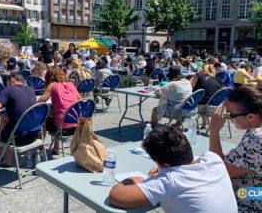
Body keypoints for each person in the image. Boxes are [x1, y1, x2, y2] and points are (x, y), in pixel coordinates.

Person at [109, 126, 238, 212]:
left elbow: (116, 197)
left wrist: (138, 180)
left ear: (165, 165)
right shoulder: (213, 159)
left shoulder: (169, 180)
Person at [209, 85, 262, 212]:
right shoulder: (256, 129)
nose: (228, 118)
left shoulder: (256, 139)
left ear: (250, 117)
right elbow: (243, 159)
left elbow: (219, 170)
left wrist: (214, 130)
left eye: (231, 115)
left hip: (249, 203)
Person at [0, 72, 38, 165]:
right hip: (32, 135)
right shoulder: (31, 90)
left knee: (4, 120)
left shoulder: (9, 89)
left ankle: (1, 151)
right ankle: (6, 157)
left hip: (16, 138)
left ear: (11, 80)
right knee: (6, 118)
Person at [37, 66, 81, 153]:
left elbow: (40, 102)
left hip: (61, 128)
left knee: (44, 121)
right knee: (57, 117)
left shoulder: (52, 85)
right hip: (75, 127)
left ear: (49, 77)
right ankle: (56, 146)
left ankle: (41, 149)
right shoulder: (71, 85)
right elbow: (80, 100)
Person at [190, 64, 223, 129]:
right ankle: (206, 124)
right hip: (217, 109)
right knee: (206, 98)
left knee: (200, 99)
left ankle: (177, 124)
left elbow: (188, 87)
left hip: (202, 107)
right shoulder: (218, 81)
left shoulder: (198, 76)